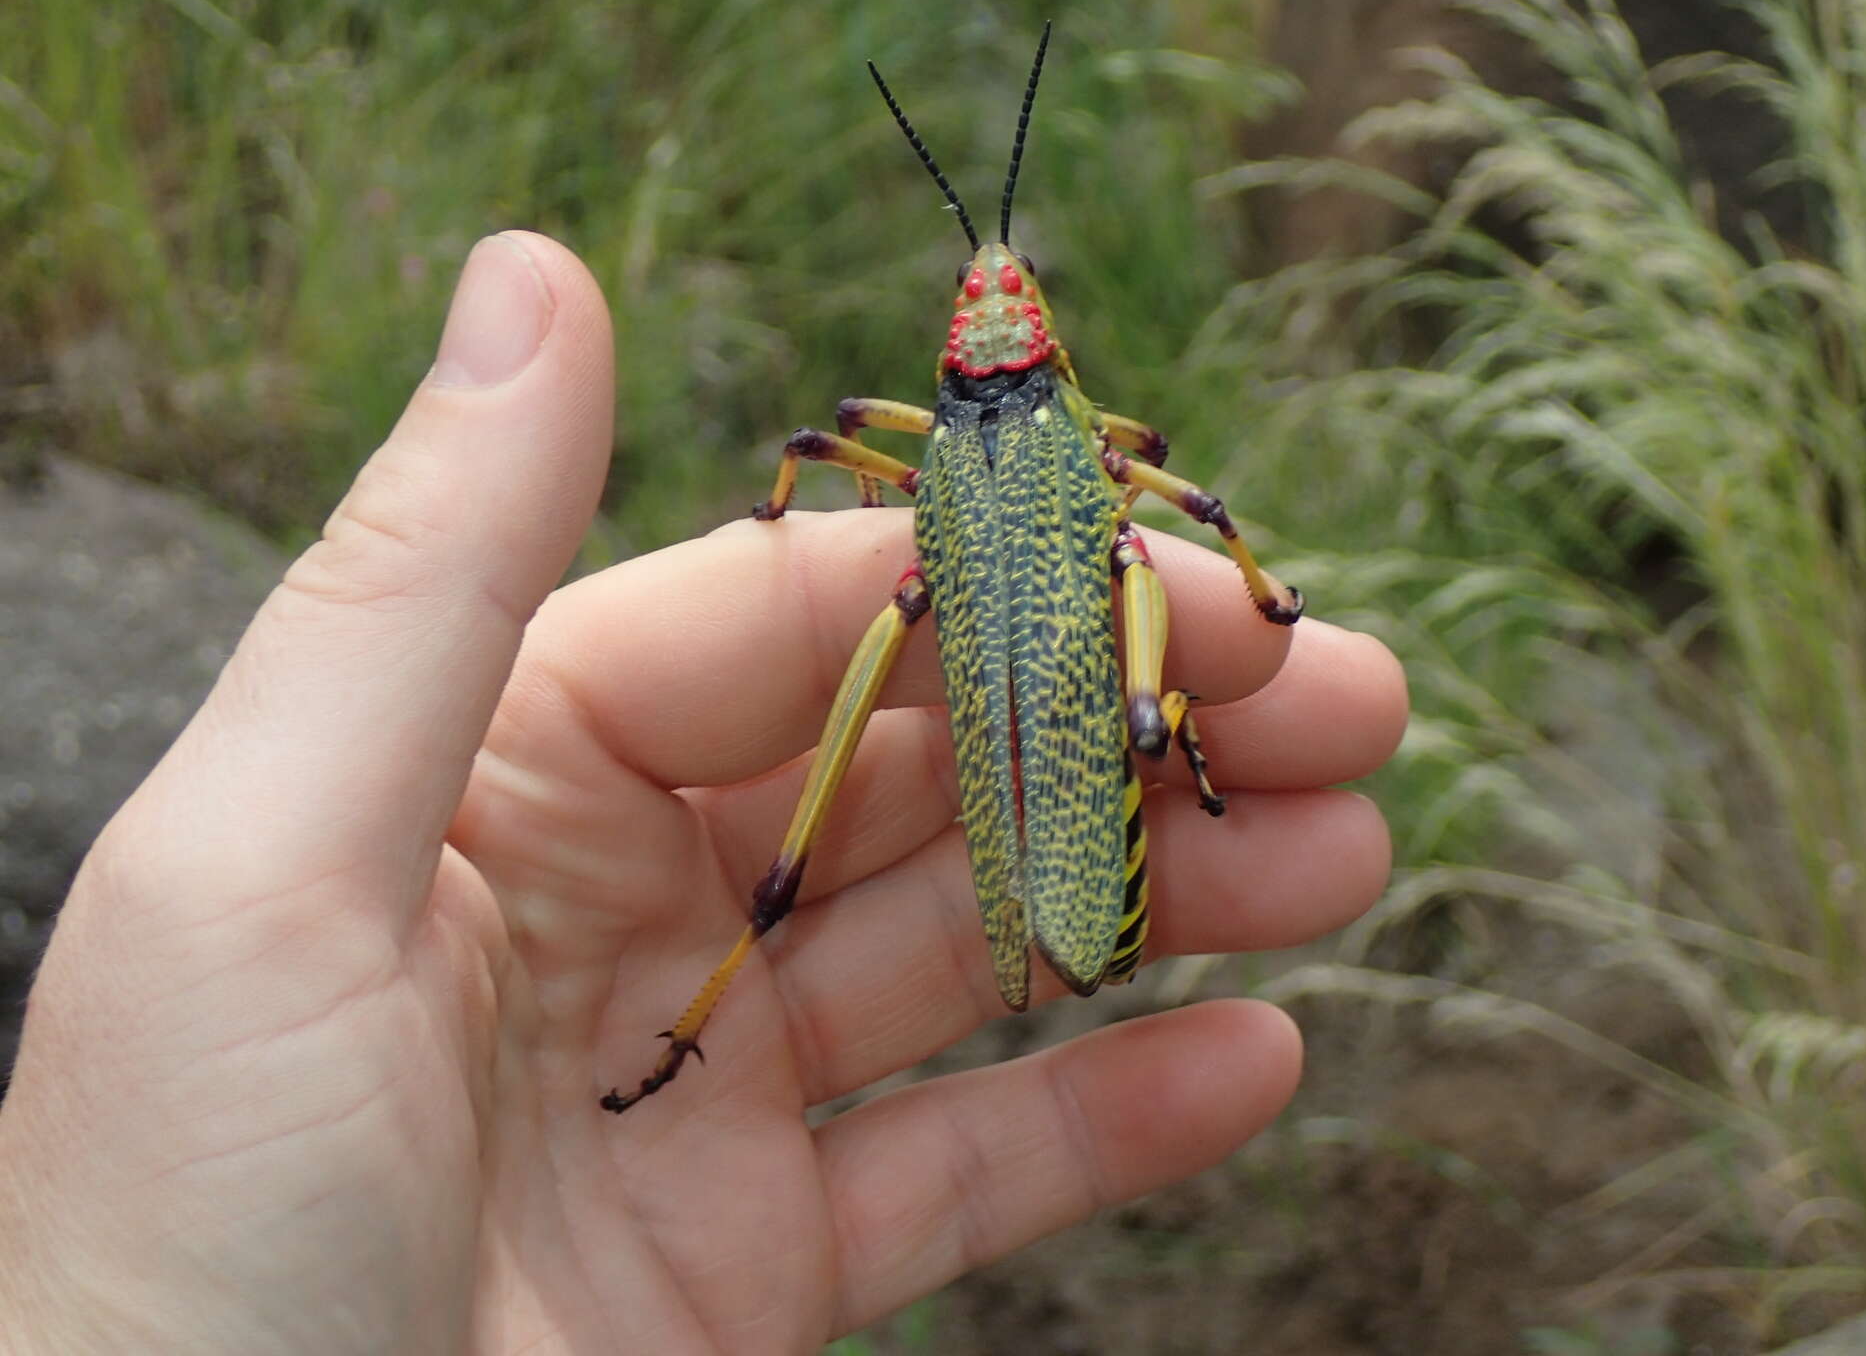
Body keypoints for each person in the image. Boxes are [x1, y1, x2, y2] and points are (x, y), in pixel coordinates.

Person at [0, 233, 1404, 1352]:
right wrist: (1261, 587)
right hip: (1066, 630)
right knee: (1158, 560)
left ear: (971, 353)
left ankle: (745, 986)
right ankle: (1172, 731)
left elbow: (824, 441)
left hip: (975, 616)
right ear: (1043, 344)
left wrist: (797, 504)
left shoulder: (920, 441)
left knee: (1005, 589)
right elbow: (1183, 491)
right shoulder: (1092, 438)